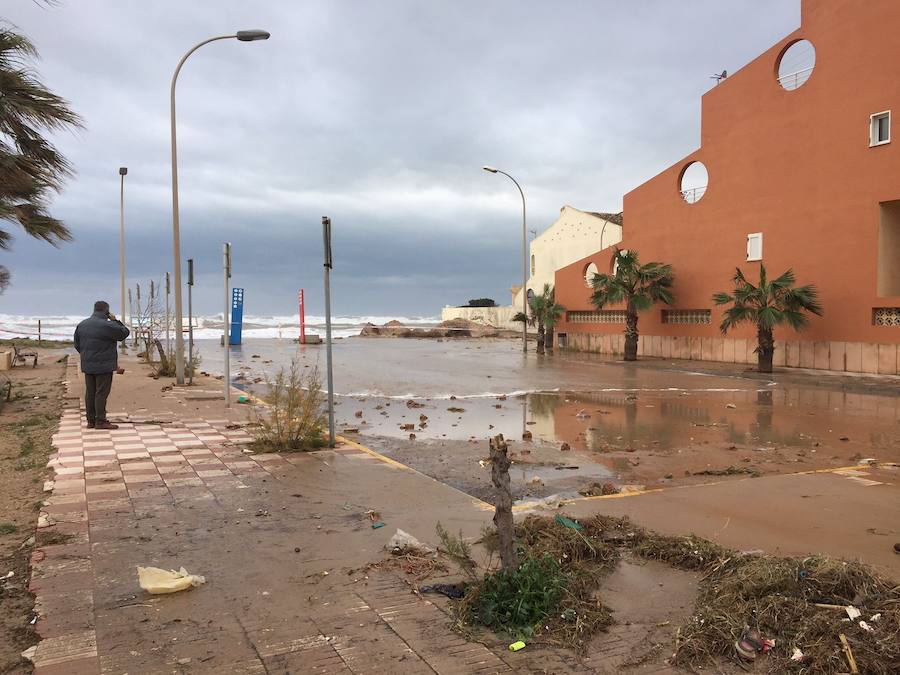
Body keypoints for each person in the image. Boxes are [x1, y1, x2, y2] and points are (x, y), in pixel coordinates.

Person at [74, 300, 130, 430]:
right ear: (107, 311)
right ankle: (100, 421)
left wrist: (87, 355)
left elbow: (77, 345)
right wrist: (115, 320)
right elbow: (124, 333)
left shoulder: (82, 325)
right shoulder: (107, 325)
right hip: (104, 365)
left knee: (90, 392)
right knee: (101, 393)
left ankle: (90, 421)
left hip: (88, 365)